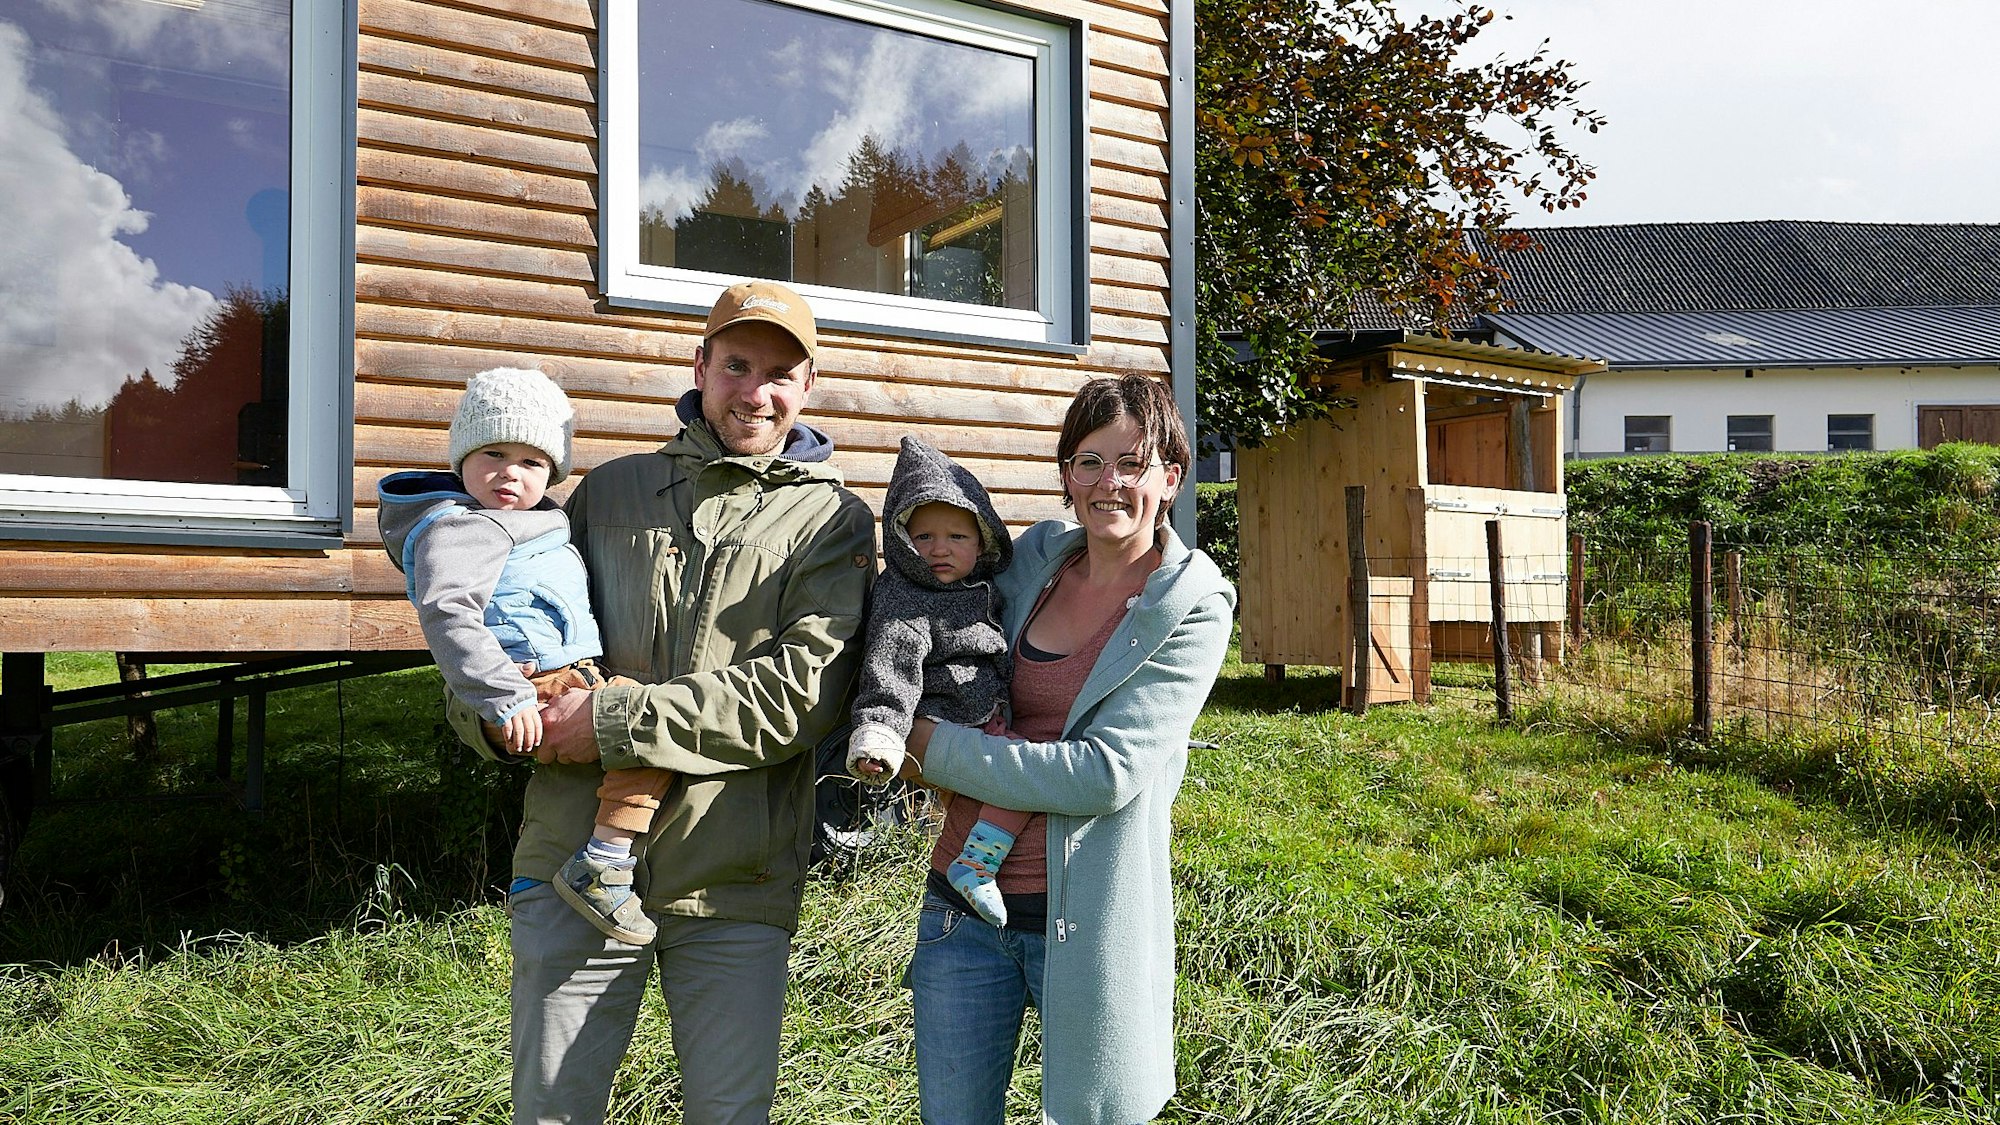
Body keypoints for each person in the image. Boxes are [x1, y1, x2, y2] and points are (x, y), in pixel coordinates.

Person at [442, 281, 877, 1125]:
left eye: (780, 374)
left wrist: (607, 721)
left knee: (730, 1113)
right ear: (700, 366)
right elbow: (502, 627)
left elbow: (799, 697)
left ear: (808, 385)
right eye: (738, 365)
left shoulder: (833, 521)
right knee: (553, 1110)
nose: (756, 391)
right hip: (571, 862)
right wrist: (494, 718)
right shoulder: (608, 492)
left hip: (733, 876)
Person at [899, 373, 1235, 1125]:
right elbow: (938, 615)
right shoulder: (1035, 559)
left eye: (1132, 463)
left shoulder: (1192, 606)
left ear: (1171, 477)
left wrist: (930, 747)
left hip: (1085, 922)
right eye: (1089, 461)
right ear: (1066, 474)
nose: (1109, 482)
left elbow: (1103, 775)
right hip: (959, 914)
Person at [379, 367, 667, 948]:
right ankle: (604, 862)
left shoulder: (523, 522)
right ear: (462, 457)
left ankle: (606, 857)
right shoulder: (464, 528)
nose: (511, 472)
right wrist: (503, 695)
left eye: (533, 462)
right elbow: (448, 612)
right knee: (648, 727)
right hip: (535, 683)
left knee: (645, 733)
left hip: (567, 674)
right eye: (494, 453)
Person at [844, 436, 1028, 927]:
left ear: (984, 541)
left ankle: (968, 862)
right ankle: (976, 866)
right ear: (902, 539)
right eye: (923, 537)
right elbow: (892, 668)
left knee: (999, 792)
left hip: (983, 713)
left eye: (958, 537)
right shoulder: (907, 599)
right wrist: (881, 732)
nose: (940, 549)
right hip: (945, 718)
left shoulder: (979, 586)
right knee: (1018, 783)